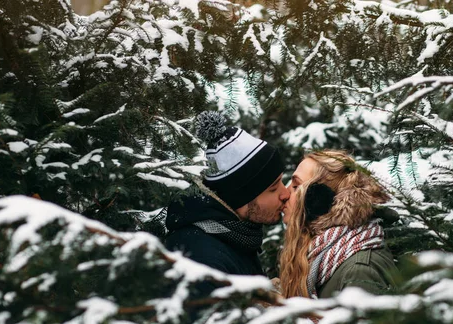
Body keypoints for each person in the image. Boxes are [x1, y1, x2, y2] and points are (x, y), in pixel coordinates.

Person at [166, 111, 290, 276]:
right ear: (241, 197)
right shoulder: (201, 259)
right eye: (273, 188)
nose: (286, 193)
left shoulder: (234, 235)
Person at [280, 150, 400, 298]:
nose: (285, 194)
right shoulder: (319, 256)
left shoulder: (359, 273)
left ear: (319, 199)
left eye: (295, 186)